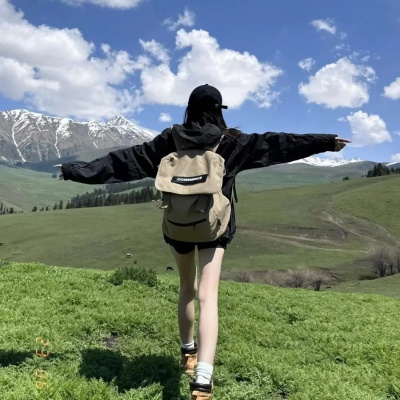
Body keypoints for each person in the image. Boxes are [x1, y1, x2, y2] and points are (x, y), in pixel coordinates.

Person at [56, 84, 350, 400]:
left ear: (190, 109)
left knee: (187, 288)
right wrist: (325, 142)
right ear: (218, 111)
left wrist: (74, 171)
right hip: (214, 229)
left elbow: (123, 161)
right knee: (208, 296)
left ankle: (188, 354)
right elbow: (280, 144)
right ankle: (203, 380)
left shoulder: (169, 141)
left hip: (177, 227)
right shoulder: (233, 142)